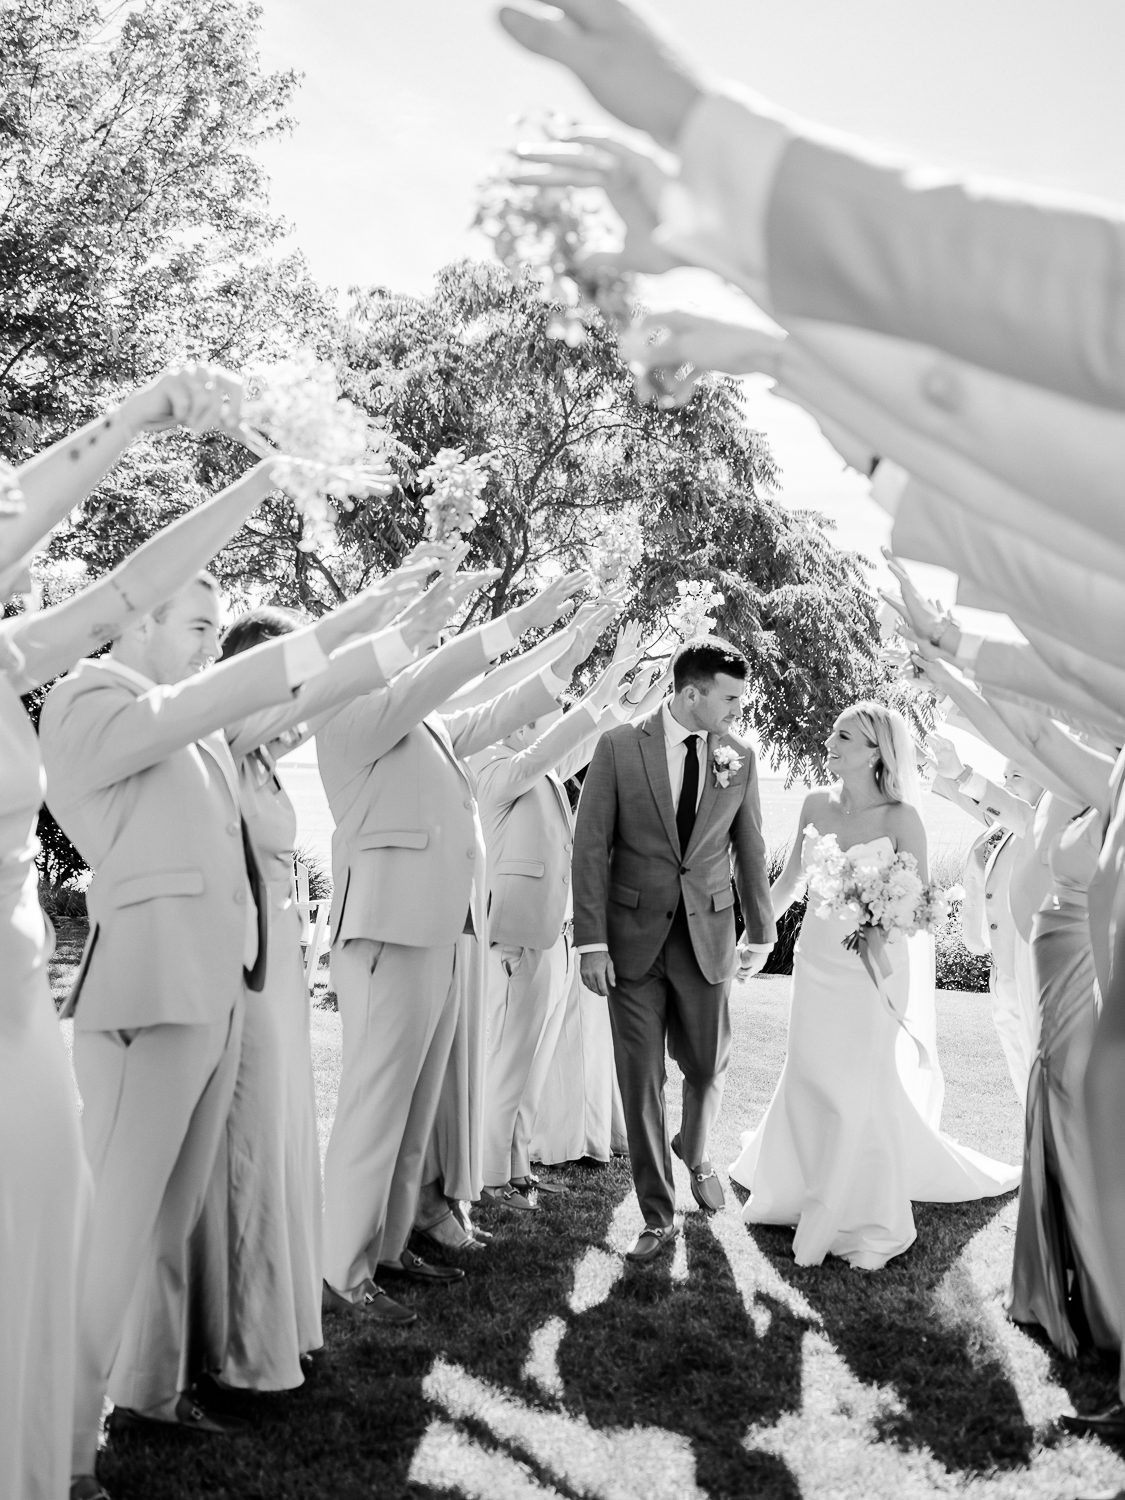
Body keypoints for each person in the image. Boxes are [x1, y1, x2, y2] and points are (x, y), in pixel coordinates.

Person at [40, 559, 415, 1487]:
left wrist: (400, 626)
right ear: (133, 623)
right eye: (199, 629)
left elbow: (288, 701)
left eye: (216, 633)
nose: (216, 646)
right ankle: (55, 1442)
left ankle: (153, 1394)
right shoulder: (91, 700)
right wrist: (349, 619)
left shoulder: (197, 731)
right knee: (113, 1233)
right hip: (146, 999)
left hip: (215, 995)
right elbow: (223, 700)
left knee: (168, 1226)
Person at [0, 363, 260, 1500]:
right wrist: (143, 409)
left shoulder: (14, 657)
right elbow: (41, 514)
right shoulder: (82, 692)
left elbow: (125, 584)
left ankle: (49, 1458)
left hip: (17, 1009)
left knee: (44, 1242)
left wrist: (265, 475)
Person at [187, 563, 472, 1395]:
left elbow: (480, 699)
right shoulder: (291, 728)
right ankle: (340, 1271)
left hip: (279, 957)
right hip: (302, 947)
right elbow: (384, 676)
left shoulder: (272, 754)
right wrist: (410, 615)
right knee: (367, 1108)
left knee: (342, 1125)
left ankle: (362, 1256)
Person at [317, 571, 594, 1324]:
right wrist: (518, 621)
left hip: (439, 930)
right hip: (386, 930)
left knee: (414, 1111)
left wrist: (573, 646)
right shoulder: (348, 712)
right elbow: (438, 672)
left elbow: (507, 707)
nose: (417, 649)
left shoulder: (426, 725)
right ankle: (340, 1270)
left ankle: (390, 1242)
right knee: (376, 1106)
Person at [730, 702, 1019, 1270]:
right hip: (816, 960)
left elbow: (916, 902)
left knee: (857, 1079)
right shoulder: (815, 803)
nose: (831, 742)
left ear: (875, 753)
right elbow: (789, 881)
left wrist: (876, 930)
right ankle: (795, 1185)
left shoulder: (901, 818)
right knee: (810, 1070)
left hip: (872, 968)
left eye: (846, 736)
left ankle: (851, 1205)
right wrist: (755, 939)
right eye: (834, 731)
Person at [572, 637, 775, 1263]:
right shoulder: (618, 746)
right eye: (731, 697)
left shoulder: (738, 757)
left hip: (707, 938)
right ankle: (658, 1215)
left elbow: (750, 849)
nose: (739, 709)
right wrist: (591, 942)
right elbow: (590, 846)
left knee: (709, 1066)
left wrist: (761, 931)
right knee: (641, 1080)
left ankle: (698, 1146)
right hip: (631, 944)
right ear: (691, 694)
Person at [470, 626, 635, 1209]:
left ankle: (516, 1168)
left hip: (548, 936)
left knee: (532, 1067)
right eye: (547, 711)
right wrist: (600, 688)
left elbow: (582, 744)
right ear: (519, 718)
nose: (553, 716)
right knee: (509, 1062)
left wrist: (626, 688)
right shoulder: (491, 765)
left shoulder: (535, 769)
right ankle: (489, 1178)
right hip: (514, 937)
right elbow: (554, 746)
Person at [929, 736, 1043, 1105]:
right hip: (1002, 970)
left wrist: (963, 772)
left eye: (1017, 776)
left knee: (1040, 1072)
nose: (1006, 782)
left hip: (1032, 974)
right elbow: (969, 797)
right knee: (1020, 1072)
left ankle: (1052, 1158)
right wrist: (920, 761)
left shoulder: (1042, 826)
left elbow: (1005, 805)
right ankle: (1035, 1156)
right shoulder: (1001, 828)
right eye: (1004, 775)